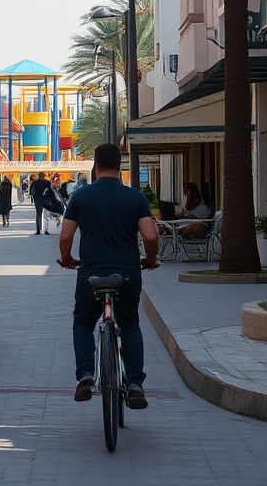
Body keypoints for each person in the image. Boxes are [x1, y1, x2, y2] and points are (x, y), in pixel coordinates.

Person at [58, 143, 159, 409]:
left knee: (82, 322)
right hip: (127, 273)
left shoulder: (80, 197)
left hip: (91, 274)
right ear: (119, 166)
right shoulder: (135, 197)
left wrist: (67, 259)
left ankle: (86, 375)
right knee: (129, 323)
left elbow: (66, 236)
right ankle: (135, 383)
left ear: (96, 164)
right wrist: (151, 259)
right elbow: (150, 235)